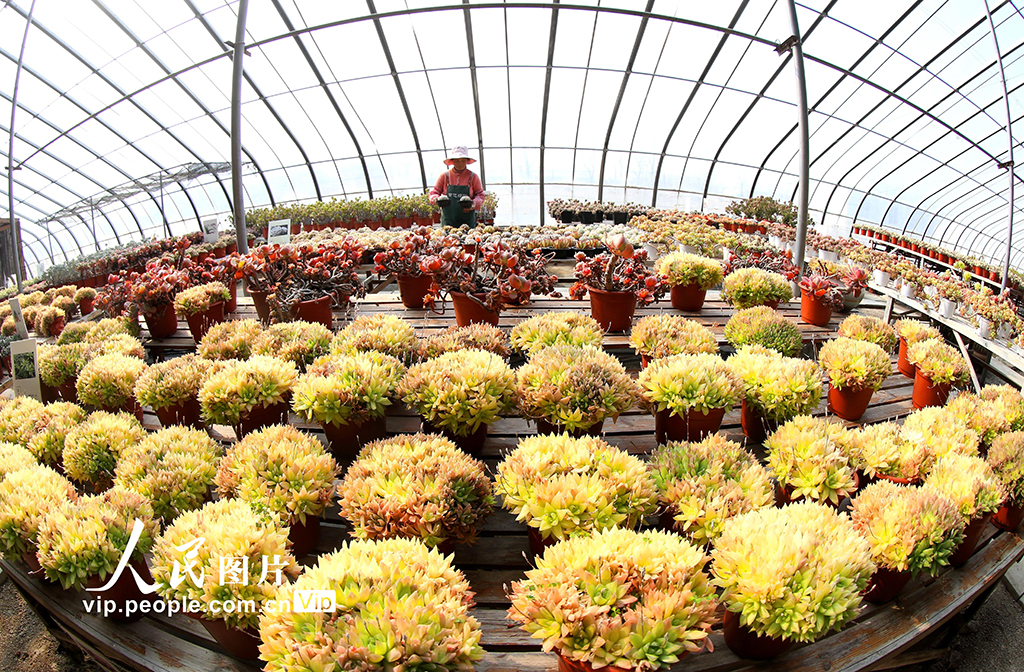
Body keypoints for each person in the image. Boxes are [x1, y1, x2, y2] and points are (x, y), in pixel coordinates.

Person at [429, 146, 485, 227]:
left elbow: (480, 194)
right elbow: (434, 192)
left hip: (467, 220)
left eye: (463, 160)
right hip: (448, 220)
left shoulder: (473, 177)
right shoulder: (445, 176)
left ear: (467, 161)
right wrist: (435, 198)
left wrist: (474, 203)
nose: (460, 163)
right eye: (457, 160)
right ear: (452, 161)